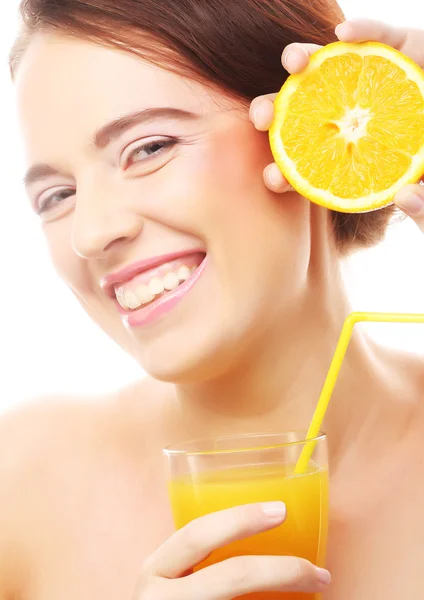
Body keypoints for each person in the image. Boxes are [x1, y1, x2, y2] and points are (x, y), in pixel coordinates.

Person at [1, 0, 423, 597]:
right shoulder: (20, 487)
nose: (91, 233)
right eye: (56, 195)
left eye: (148, 148)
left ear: (303, 124)